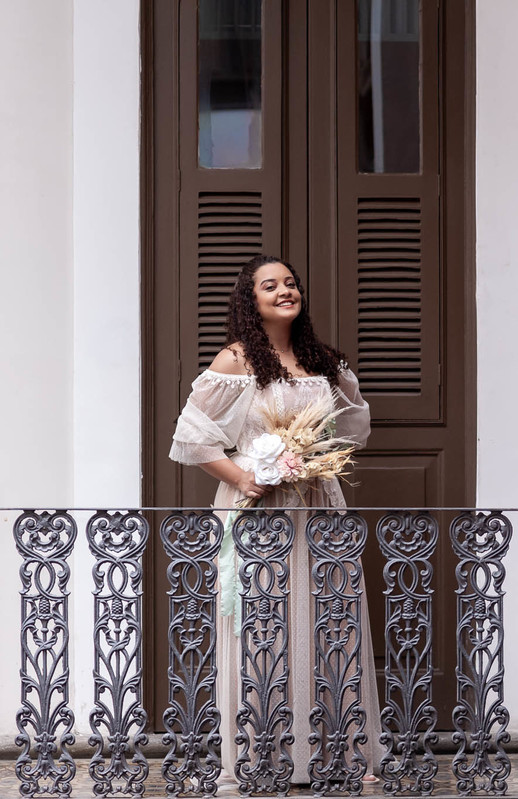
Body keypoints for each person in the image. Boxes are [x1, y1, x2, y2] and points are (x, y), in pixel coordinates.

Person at [168, 254, 383, 787]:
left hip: (317, 506)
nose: (285, 291)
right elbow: (193, 440)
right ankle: (261, 752)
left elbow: (353, 431)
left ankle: (330, 753)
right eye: (271, 285)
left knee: (324, 620)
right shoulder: (235, 361)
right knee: (262, 623)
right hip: (259, 509)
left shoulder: (321, 360)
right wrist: (244, 476)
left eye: (290, 283)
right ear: (251, 299)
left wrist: (312, 455)